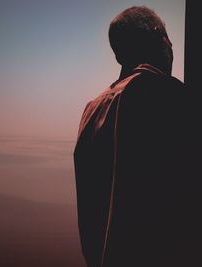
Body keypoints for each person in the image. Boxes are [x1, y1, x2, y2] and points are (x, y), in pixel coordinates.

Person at [74, 6, 187, 267]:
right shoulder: (161, 93)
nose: (171, 46)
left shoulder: (92, 108)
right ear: (160, 37)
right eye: (168, 37)